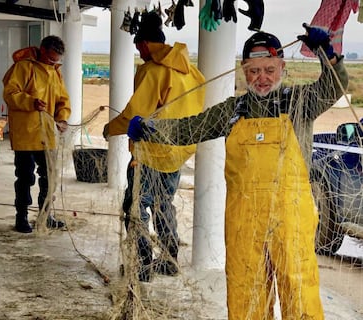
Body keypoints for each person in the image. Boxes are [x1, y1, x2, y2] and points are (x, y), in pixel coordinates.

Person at [128, 25, 348, 319]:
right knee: (246, 289)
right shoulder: (233, 110)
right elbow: (190, 128)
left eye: (269, 69)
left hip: (291, 216)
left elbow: (335, 85)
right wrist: (151, 128)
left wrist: (327, 53)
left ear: (282, 67)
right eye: (253, 70)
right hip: (244, 217)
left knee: (298, 288)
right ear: (244, 71)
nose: (262, 78)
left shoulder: (300, 102)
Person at [103, 11, 205, 282]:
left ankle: (142, 264)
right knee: (164, 204)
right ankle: (170, 260)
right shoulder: (189, 69)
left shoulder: (152, 71)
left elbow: (135, 114)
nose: (137, 51)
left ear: (146, 44)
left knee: (136, 205)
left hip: (150, 152)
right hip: (177, 150)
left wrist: (110, 128)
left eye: (138, 46)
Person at [3, 35, 71, 233]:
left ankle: (45, 215)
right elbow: (10, 93)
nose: (53, 63)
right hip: (25, 134)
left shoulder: (55, 73)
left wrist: (62, 118)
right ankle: (21, 217)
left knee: (49, 177)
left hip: (47, 134)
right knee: (25, 177)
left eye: (56, 60)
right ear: (42, 50)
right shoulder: (23, 67)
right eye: (50, 59)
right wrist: (30, 102)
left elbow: (63, 101)